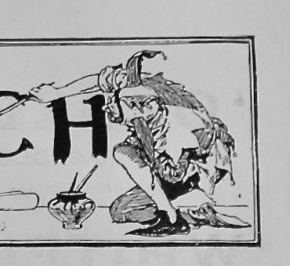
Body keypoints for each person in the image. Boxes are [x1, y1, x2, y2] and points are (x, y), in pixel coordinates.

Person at [27, 49, 244, 235]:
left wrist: (157, 160)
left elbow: (174, 174)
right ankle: (193, 212)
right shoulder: (136, 95)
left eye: (114, 104)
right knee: (121, 212)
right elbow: (100, 81)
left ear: (141, 105)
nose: (106, 107)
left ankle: (172, 218)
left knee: (123, 152)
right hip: (168, 170)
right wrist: (57, 93)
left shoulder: (177, 131)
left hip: (191, 174)